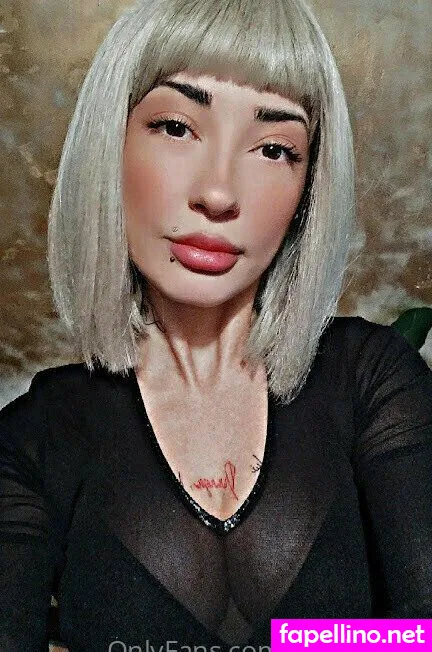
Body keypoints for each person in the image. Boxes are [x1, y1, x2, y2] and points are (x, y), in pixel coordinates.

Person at [1, 0, 432, 649]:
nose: (220, 193)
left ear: (307, 191)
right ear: (110, 148)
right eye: (177, 127)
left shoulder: (372, 381)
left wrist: (298, 640)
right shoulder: (34, 437)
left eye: (274, 148)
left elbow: (421, 632)